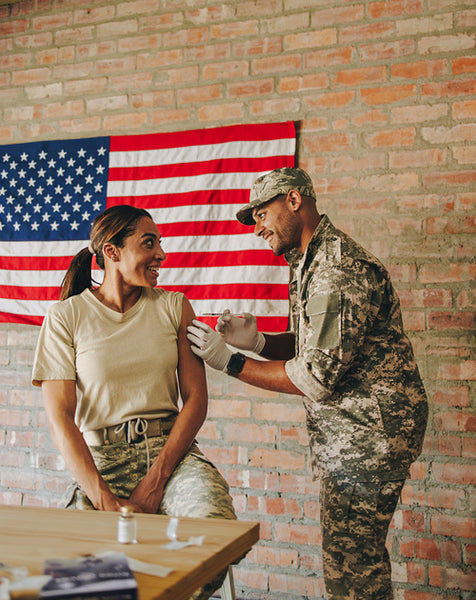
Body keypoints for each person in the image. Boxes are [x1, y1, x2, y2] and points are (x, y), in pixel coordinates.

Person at [187, 167, 428, 600]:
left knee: (352, 563)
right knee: (350, 556)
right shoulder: (309, 259)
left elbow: (315, 375)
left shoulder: (337, 267)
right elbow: (317, 345)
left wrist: (229, 361)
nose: (258, 228)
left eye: (262, 214)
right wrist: (261, 341)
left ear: (294, 201)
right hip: (353, 431)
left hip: (368, 434)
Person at [32, 204, 236, 600]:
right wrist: (104, 499)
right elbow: (61, 419)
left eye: (160, 242)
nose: (161, 253)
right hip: (100, 463)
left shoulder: (174, 306)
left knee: (215, 536)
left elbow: (195, 400)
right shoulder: (65, 317)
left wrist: (157, 478)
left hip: (171, 456)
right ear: (112, 252)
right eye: (148, 242)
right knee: (76, 571)